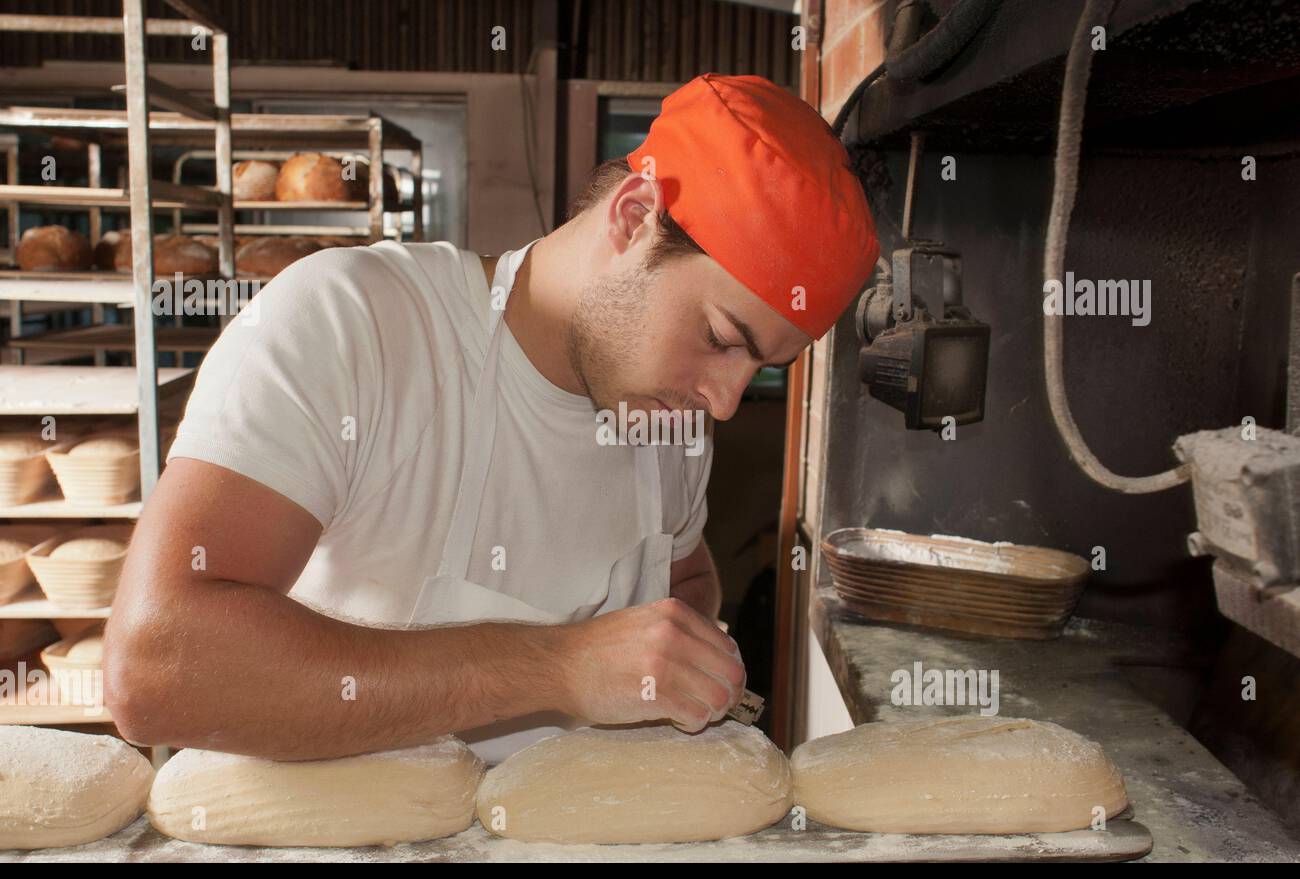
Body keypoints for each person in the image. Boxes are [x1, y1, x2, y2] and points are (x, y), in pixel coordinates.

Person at [104, 73, 878, 762]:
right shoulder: (353, 324)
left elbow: (684, 571)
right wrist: (558, 666)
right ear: (635, 216)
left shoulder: (665, 418)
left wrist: (682, 650)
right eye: (719, 338)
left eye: (758, 367)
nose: (725, 401)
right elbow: (155, 669)